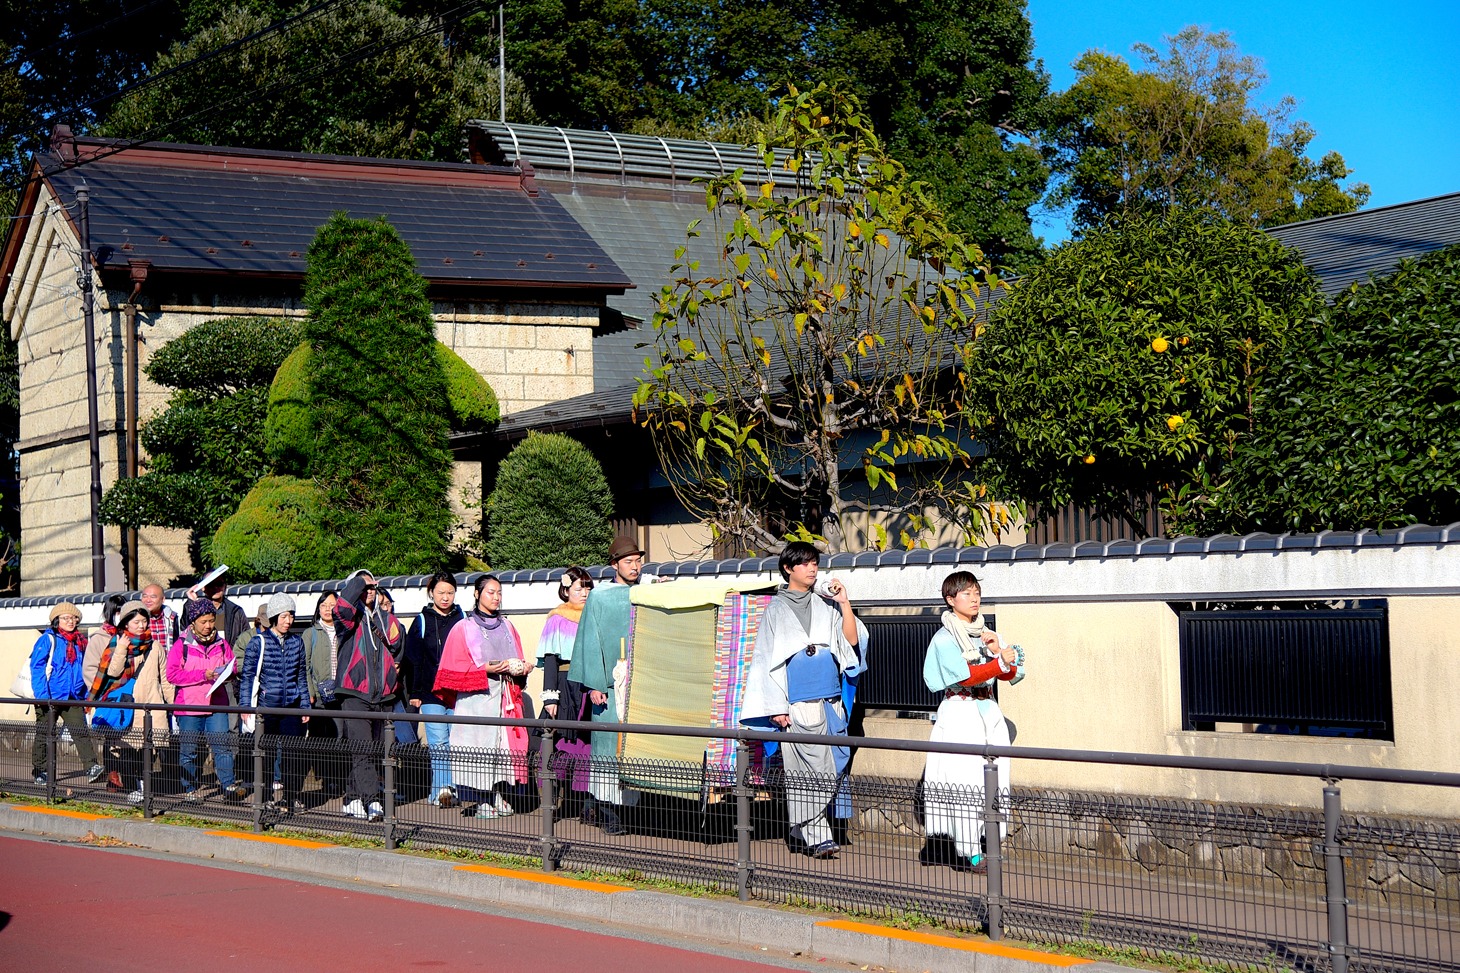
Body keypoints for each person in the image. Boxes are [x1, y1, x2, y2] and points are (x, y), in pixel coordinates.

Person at [741, 541, 868, 859]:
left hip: (830, 701)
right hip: (796, 703)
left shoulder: (825, 605)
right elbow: (766, 661)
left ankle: (800, 828)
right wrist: (775, 708)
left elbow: (851, 642)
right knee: (807, 769)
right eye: (806, 563)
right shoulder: (775, 609)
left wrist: (844, 602)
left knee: (831, 766)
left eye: (815, 562)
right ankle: (818, 836)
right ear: (788, 568)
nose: (813, 568)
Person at [919, 571, 1024, 874]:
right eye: (966, 593)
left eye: (976, 591)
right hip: (960, 710)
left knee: (996, 777)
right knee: (964, 781)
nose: (975, 597)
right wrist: (998, 662)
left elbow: (1009, 674)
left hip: (988, 709)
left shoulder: (987, 632)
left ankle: (988, 840)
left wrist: (1001, 656)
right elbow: (964, 676)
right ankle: (969, 852)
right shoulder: (944, 637)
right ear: (951, 600)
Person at [566, 536, 646, 835]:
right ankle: (608, 813)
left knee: (635, 746)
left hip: (639, 682)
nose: (635, 566)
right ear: (614, 565)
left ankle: (631, 811)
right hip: (610, 684)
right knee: (607, 747)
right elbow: (589, 640)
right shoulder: (599, 597)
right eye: (628, 561)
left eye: (638, 560)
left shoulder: (647, 593)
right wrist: (594, 683)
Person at [433, 575, 529, 819]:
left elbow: (516, 656)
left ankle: (496, 794)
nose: (496, 597)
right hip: (475, 699)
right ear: (477, 594)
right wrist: (483, 669)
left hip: (504, 696)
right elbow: (450, 672)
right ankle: (481, 800)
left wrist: (520, 668)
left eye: (499, 593)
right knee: (477, 750)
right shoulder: (463, 628)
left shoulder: (508, 626)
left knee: (500, 749)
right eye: (490, 592)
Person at [333, 569, 404, 822]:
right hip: (354, 693)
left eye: (373, 586)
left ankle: (352, 798)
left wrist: (384, 610)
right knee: (362, 750)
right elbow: (341, 609)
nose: (370, 590)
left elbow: (397, 642)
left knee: (372, 750)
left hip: (382, 696)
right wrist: (358, 584)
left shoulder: (383, 618)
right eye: (364, 587)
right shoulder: (347, 620)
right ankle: (372, 800)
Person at [239, 593, 311, 811]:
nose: (288, 621)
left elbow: (301, 676)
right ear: (273, 617)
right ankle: (266, 797)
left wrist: (305, 705)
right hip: (265, 708)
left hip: (292, 706)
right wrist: (245, 707)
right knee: (266, 756)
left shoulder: (297, 642)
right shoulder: (257, 642)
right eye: (284, 616)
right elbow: (248, 677)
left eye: (291, 616)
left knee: (294, 756)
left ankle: (291, 797)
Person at [167, 599, 243, 802]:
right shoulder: (181, 645)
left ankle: (229, 787)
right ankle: (190, 788)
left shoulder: (222, 643)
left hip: (217, 704)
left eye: (211, 620)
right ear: (193, 622)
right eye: (204, 621)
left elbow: (233, 667)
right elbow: (173, 675)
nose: (209, 625)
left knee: (222, 747)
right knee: (189, 751)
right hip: (189, 706)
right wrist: (204, 675)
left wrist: (227, 673)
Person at [83, 597, 153, 803]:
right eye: (119, 611)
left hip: (134, 696)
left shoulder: (146, 641)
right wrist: (98, 694)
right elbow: (95, 670)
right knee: (114, 739)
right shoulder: (102, 637)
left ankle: (133, 783)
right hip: (111, 695)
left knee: (131, 742)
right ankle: (115, 777)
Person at [405, 571, 464, 808]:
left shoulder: (463, 618)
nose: (445, 597)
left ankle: (453, 789)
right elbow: (414, 659)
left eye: (450, 592)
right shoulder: (422, 620)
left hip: (458, 691)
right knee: (438, 742)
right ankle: (441, 790)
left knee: (457, 742)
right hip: (430, 691)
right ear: (431, 593)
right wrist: (416, 693)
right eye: (441, 592)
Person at [536, 567, 593, 811]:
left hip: (589, 684)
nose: (584, 593)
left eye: (587, 587)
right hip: (564, 683)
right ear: (566, 590)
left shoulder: (594, 616)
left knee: (585, 743)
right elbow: (550, 659)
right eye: (579, 588)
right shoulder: (557, 618)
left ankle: (582, 802)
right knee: (559, 741)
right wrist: (551, 697)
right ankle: (551, 796)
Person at [29, 602, 103, 786]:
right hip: (50, 696)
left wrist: (86, 695)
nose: (70, 621)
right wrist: (42, 696)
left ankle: (91, 767)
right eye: (65, 618)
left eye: (73, 618)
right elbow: (37, 667)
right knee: (45, 733)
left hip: (73, 696)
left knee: (80, 731)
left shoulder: (80, 642)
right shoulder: (48, 639)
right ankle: (40, 770)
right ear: (56, 620)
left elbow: (84, 669)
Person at [303, 590, 343, 794]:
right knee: (321, 739)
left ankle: (337, 780)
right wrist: (310, 691)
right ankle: (327, 780)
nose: (328, 609)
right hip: (319, 696)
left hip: (341, 694)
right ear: (318, 608)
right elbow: (304, 665)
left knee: (340, 737)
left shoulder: (343, 630)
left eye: (332, 605)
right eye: (324, 605)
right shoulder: (311, 633)